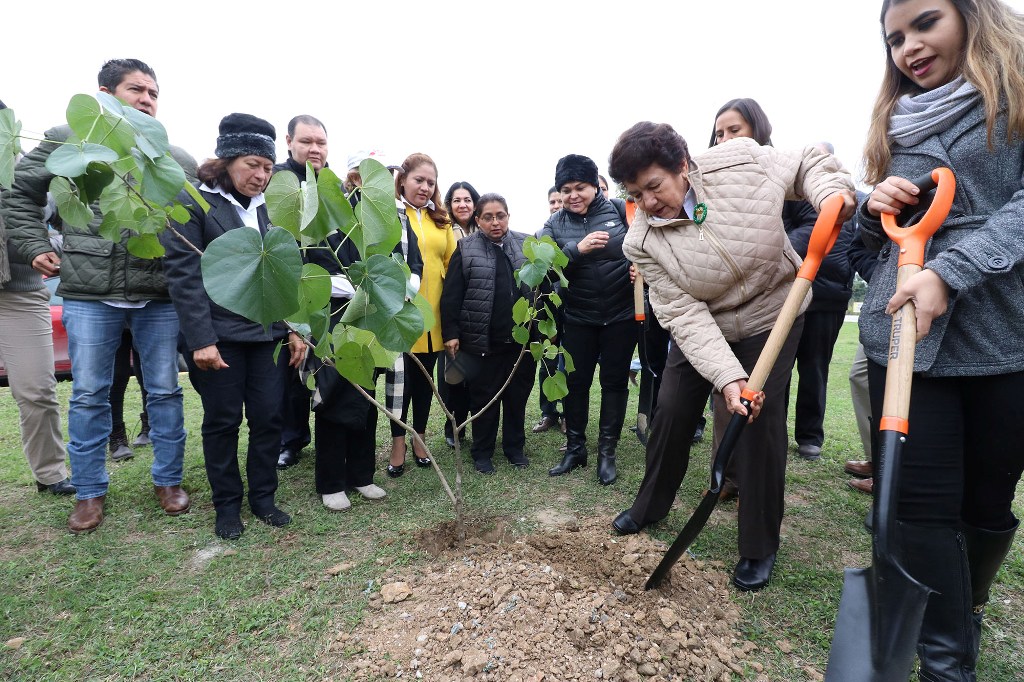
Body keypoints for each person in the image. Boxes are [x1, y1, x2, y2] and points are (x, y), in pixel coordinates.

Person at [607, 121, 854, 592]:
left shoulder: (740, 160)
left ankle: (759, 545)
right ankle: (650, 505)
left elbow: (806, 162)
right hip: (707, 322)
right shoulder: (640, 240)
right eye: (637, 193)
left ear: (683, 166)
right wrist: (726, 377)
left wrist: (831, 195)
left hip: (773, 312)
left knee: (758, 421)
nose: (649, 202)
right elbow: (683, 315)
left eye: (654, 186)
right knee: (674, 407)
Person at [858, 0, 1024, 675]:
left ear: (973, 15)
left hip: (999, 333)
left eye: (926, 23)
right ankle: (945, 659)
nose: (909, 48)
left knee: (986, 504)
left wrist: (951, 274)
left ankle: (970, 602)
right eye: (895, 38)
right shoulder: (894, 124)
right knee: (917, 508)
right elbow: (868, 247)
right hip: (902, 337)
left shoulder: (1014, 98)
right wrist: (876, 211)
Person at [3, 59, 193, 533]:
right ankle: (88, 492)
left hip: (156, 293)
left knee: (165, 391)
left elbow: (195, 215)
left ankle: (167, 480)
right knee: (88, 394)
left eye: (153, 92)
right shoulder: (67, 139)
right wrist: (34, 245)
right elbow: (20, 195)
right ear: (104, 93)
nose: (147, 99)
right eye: (136, 90)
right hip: (89, 293)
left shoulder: (171, 154)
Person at [161, 113, 305, 540]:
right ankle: (227, 504)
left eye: (266, 167)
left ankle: (263, 497)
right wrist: (201, 340)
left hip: (267, 336)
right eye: (251, 165)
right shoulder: (195, 203)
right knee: (222, 421)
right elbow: (184, 277)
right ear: (225, 161)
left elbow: (287, 273)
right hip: (218, 338)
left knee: (268, 418)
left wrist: (295, 329)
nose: (261, 176)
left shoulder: (272, 210)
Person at [711, 98, 855, 463]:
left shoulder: (779, 170)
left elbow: (814, 220)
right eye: (718, 134)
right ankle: (735, 462)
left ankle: (801, 441)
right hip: (751, 300)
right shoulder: (718, 184)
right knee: (749, 380)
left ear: (758, 132)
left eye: (735, 130)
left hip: (801, 293)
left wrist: (764, 249)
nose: (725, 140)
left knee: (795, 375)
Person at [540, 154, 634, 486]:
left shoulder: (621, 210)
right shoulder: (553, 225)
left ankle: (607, 452)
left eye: (580, 187)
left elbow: (648, 245)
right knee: (576, 385)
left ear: (595, 186)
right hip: (578, 318)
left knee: (614, 384)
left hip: (621, 317)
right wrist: (576, 250)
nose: (573, 195)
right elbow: (541, 273)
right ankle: (575, 448)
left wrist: (641, 269)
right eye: (565, 189)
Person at [0, 100, 74, 497]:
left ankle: (50, 474)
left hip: (20, 292)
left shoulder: (31, 165)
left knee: (37, 390)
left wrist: (46, 246)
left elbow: (67, 225)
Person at [441, 193, 537, 474]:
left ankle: (514, 448)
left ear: (508, 216)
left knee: (517, 396)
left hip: (521, 342)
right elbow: (452, 296)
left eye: (500, 216)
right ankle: (482, 452)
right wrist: (451, 332)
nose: (495, 222)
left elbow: (541, 288)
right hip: (483, 341)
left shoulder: (525, 244)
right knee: (484, 398)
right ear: (478, 220)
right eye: (488, 217)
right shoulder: (466, 248)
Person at [386, 153, 454, 477]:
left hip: (435, 317)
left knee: (426, 382)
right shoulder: (392, 215)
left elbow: (453, 268)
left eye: (431, 182)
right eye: (419, 180)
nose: (425, 187)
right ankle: (398, 442)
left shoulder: (442, 221)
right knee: (401, 382)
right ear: (403, 180)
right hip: (401, 314)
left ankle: (420, 439)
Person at [272, 114, 330, 470]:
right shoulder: (278, 180)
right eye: (306, 141)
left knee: (325, 368)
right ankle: (291, 440)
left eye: (320, 143)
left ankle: (325, 435)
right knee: (290, 371)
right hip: (287, 289)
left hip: (326, 290)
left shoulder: (331, 185)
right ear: (289, 141)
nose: (314, 149)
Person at [439, 181, 480, 449]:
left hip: (478, 311)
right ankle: (453, 427)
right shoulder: (442, 229)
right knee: (453, 377)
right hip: (451, 308)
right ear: (449, 204)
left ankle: (477, 426)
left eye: (467, 199)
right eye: (456, 200)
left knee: (476, 377)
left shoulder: (486, 229)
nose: (462, 204)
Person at [533, 186, 567, 436]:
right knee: (547, 364)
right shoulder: (540, 237)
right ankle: (548, 413)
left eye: (559, 200)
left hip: (574, 310)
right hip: (549, 313)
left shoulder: (575, 233)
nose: (556, 205)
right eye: (552, 201)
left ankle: (568, 413)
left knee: (567, 366)